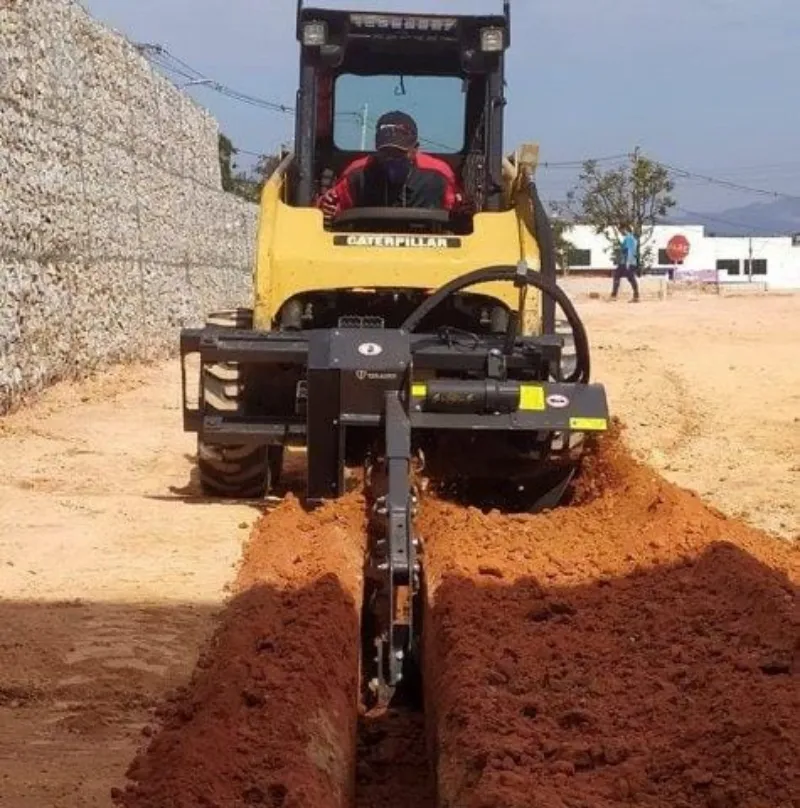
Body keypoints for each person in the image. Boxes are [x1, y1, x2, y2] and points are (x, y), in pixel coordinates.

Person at [317, 111, 464, 219]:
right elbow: (327, 206)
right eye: (386, 152)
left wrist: (462, 208)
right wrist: (327, 208)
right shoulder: (357, 174)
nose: (392, 159)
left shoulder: (437, 175)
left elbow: (458, 206)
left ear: (415, 149)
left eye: (399, 153)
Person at [611, 227, 640, 302]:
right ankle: (636, 296)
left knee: (618, 275)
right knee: (631, 278)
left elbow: (629, 250)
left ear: (625, 230)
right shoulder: (633, 238)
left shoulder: (628, 238)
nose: (621, 232)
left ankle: (614, 296)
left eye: (621, 231)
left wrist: (628, 262)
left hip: (626, 262)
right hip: (630, 262)